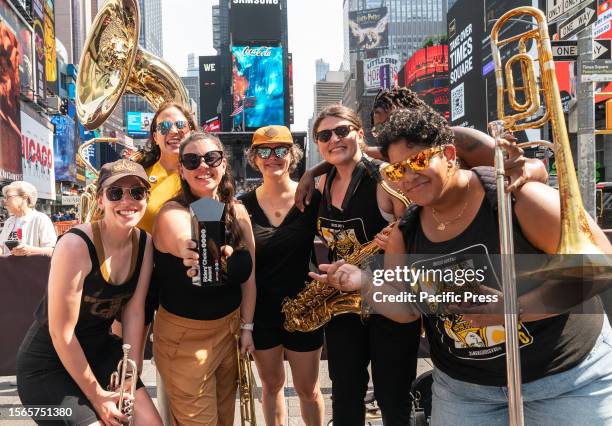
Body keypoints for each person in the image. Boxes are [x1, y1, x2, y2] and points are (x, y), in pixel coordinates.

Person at [312, 108, 612, 425]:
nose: (409, 177)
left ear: (450, 154)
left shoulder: (517, 199)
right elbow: (409, 309)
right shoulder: (406, 233)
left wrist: (515, 308)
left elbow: (600, 264)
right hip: (466, 392)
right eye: (398, 171)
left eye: (417, 161)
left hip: (565, 379)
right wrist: (363, 282)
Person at [16, 159, 162, 426]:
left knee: (150, 423)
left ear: (146, 198)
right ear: (101, 200)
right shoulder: (75, 245)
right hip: (48, 365)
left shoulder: (145, 242)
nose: (127, 201)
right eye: (116, 193)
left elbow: (134, 310)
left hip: (102, 353)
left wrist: (130, 373)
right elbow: (62, 333)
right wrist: (98, 398)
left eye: (136, 192)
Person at [309, 104, 421, 426]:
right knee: (344, 395)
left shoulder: (386, 177)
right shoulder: (321, 183)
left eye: (342, 131)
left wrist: (399, 238)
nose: (334, 139)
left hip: (388, 302)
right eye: (325, 135)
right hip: (344, 305)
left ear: (360, 134)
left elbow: (417, 226)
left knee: (392, 397)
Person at [295, 86, 548, 211]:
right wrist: (311, 173)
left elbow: (527, 166)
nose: (387, 132)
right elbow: (351, 153)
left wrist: (525, 174)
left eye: (391, 120)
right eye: (379, 130)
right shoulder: (392, 152)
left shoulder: (456, 137)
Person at [152, 132, 256, 426]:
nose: (203, 166)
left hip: (230, 331)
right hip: (186, 340)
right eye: (192, 160)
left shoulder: (238, 211)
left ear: (223, 164)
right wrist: (192, 249)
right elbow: (182, 236)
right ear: (181, 170)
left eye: (211, 158)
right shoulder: (172, 213)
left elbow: (249, 278)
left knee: (225, 420)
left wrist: (247, 326)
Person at [239, 125, 325, 426]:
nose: (272, 157)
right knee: (271, 386)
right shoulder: (242, 206)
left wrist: (313, 173)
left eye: (280, 151)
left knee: (308, 389)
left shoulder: (312, 199)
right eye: (264, 151)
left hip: (306, 308)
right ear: (254, 157)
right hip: (262, 312)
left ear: (293, 155)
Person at [0, 181, 56, 256]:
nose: (5, 201)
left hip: (32, 267)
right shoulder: (9, 221)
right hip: (9, 267)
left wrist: (30, 250)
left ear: (24, 198)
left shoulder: (41, 219)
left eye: (8, 197)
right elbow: (2, 247)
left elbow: (53, 251)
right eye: (5, 198)